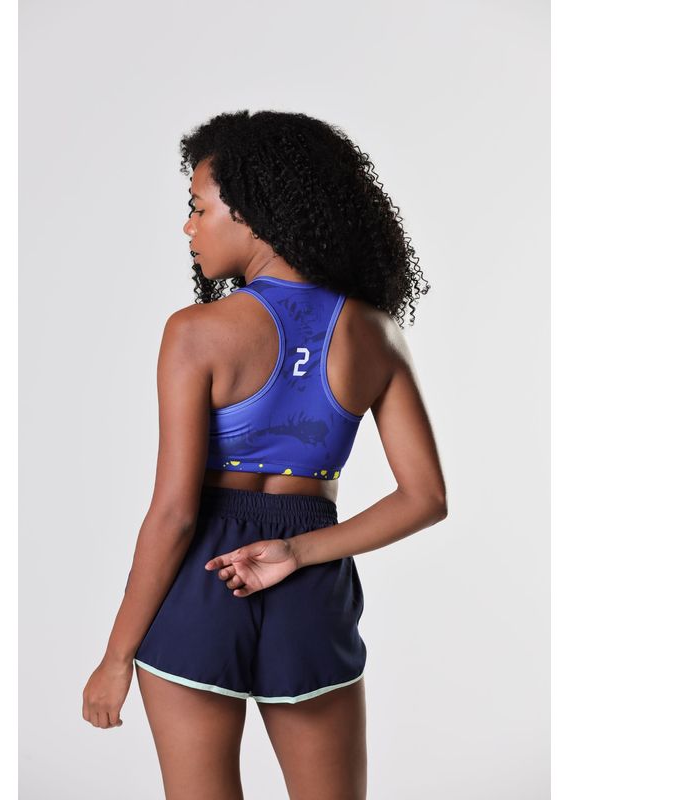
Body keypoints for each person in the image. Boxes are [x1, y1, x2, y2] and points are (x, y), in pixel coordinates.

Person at [82, 110, 448, 799]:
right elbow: (425, 498)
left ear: (252, 214)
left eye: (198, 208)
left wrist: (115, 657)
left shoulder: (196, 332)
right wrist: (299, 553)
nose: (188, 227)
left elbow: (174, 515)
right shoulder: (375, 333)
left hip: (202, 578)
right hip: (310, 581)